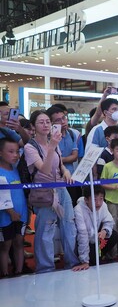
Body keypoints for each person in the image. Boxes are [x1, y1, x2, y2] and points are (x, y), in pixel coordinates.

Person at [24, 110, 78, 273]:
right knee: (45, 230)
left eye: (48, 121)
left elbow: (59, 164)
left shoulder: (52, 141)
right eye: (41, 122)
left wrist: (66, 171)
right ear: (33, 126)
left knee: (69, 225)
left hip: (61, 187)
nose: (46, 125)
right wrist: (53, 146)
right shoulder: (29, 147)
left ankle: (72, 262)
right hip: (44, 191)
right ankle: (45, 268)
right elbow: (45, 170)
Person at [72, 185, 118, 271]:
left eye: (101, 198)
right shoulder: (78, 210)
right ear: (86, 200)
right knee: (92, 262)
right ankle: (90, 257)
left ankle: (98, 255)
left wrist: (105, 230)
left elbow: (109, 221)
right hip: (85, 242)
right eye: (94, 199)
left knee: (114, 235)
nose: (98, 203)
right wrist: (84, 260)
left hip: (96, 238)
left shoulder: (103, 205)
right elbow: (82, 236)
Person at [0, 138, 27, 277]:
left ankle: (19, 271)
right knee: (5, 245)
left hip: (21, 213)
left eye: (17, 151)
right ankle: (4, 273)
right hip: (5, 216)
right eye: (10, 152)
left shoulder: (17, 170)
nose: (15, 155)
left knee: (19, 242)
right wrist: (10, 212)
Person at [47, 105, 81, 203]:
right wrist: (59, 159)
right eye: (58, 120)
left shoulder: (71, 134)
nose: (63, 122)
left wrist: (60, 159)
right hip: (55, 179)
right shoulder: (49, 138)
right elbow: (50, 159)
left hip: (71, 177)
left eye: (63, 118)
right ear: (52, 123)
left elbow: (75, 156)